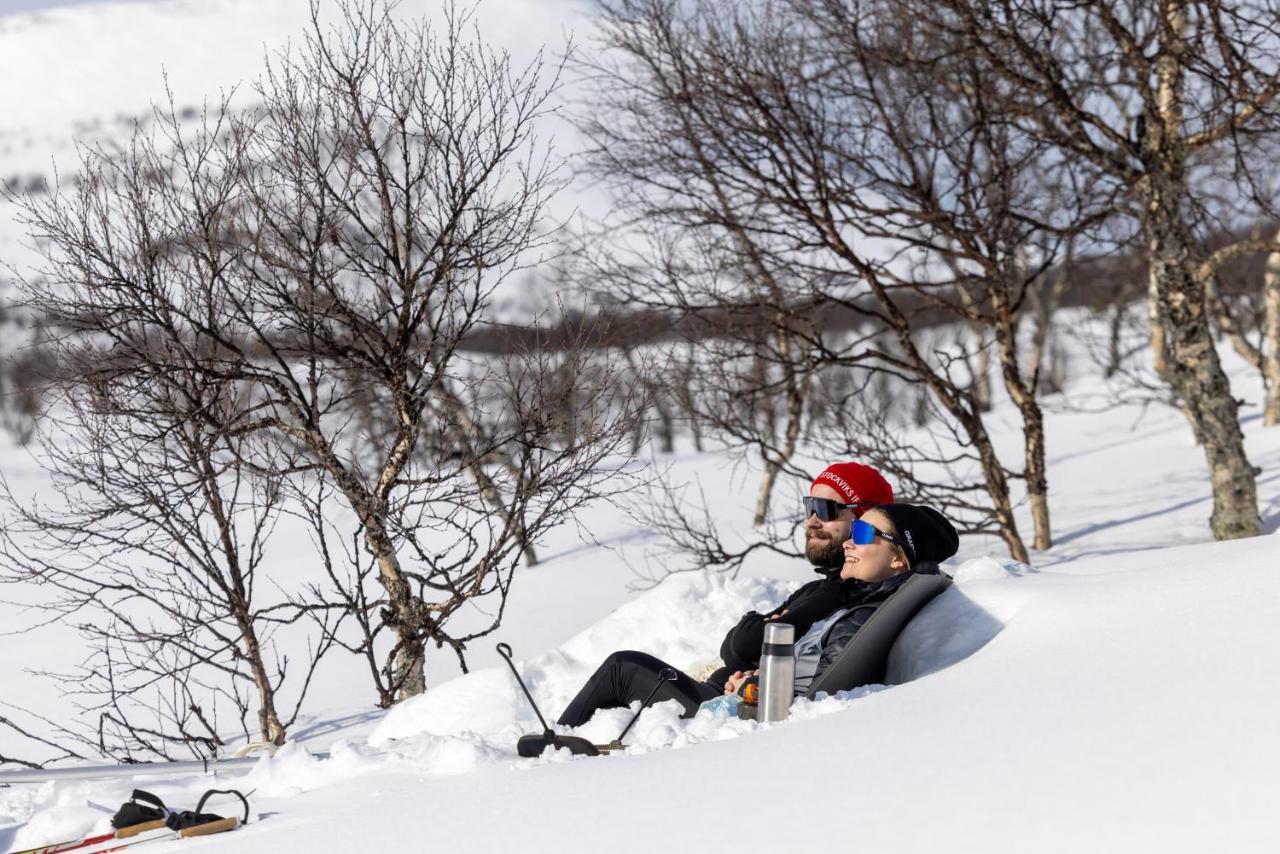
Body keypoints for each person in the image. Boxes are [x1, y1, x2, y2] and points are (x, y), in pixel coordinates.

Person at [555, 462, 905, 728]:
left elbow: (745, 645)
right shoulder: (827, 587)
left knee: (623, 667)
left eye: (827, 510)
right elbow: (746, 648)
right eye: (809, 507)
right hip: (729, 696)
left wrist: (752, 649)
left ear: (862, 521)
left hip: (732, 713)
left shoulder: (838, 592)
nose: (812, 520)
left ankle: (555, 749)